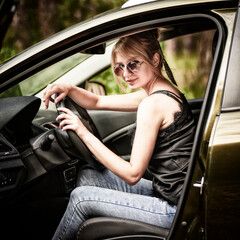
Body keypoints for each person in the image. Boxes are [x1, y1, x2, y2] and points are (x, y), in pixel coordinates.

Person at [43, 29, 196, 240]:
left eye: (133, 64)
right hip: (173, 192)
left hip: (175, 209)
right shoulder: (159, 92)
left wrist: (83, 132)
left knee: (80, 199)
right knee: (88, 175)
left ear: (155, 59)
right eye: (119, 67)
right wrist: (69, 87)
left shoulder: (152, 104)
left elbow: (133, 174)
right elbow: (97, 102)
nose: (125, 74)